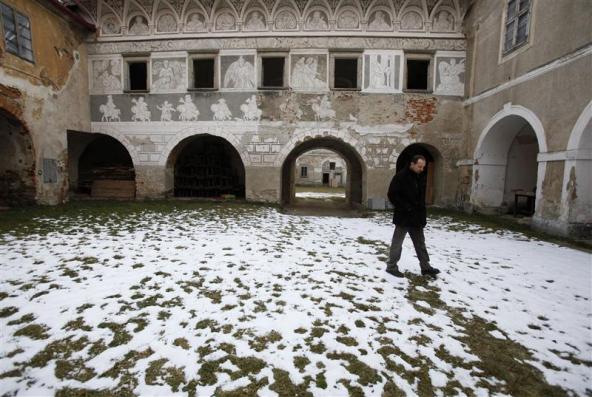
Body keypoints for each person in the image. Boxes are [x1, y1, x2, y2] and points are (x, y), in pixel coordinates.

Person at [385, 155, 440, 278]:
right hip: (403, 216)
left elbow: (420, 200)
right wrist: (406, 207)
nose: (422, 169)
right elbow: (392, 195)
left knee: (420, 243)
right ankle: (391, 266)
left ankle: (426, 267)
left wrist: (422, 216)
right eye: (419, 166)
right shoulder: (400, 176)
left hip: (417, 218)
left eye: (423, 167)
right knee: (397, 243)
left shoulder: (420, 177)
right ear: (412, 164)